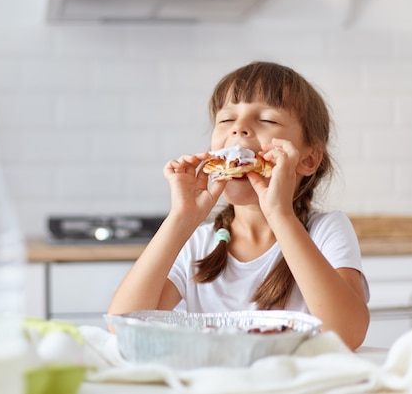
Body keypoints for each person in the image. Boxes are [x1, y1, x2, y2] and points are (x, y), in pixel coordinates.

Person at [108, 61, 370, 350]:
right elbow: (122, 328)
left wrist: (279, 214)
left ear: (307, 159)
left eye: (268, 120)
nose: (239, 129)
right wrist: (180, 219)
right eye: (226, 120)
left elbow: (347, 333)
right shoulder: (197, 244)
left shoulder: (326, 231)